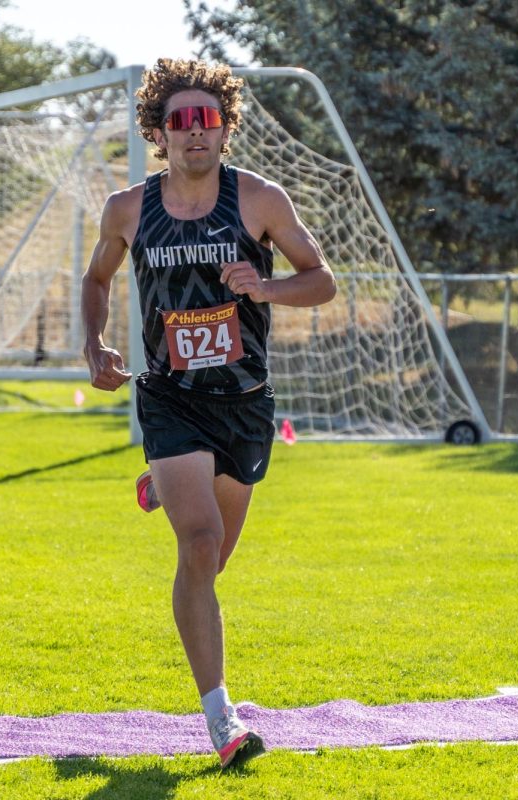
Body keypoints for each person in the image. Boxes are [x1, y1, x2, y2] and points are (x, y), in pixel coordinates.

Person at [81, 59, 336, 769]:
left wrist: (267, 288)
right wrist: (93, 341)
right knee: (197, 544)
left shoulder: (259, 199)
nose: (195, 133)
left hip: (247, 403)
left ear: (225, 128)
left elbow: (322, 281)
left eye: (208, 119)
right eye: (180, 121)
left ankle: (164, 482)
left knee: (212, 562)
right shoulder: (127, 207)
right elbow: (97, 278)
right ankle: (223, 722)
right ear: (159, 133)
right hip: (171, 397)